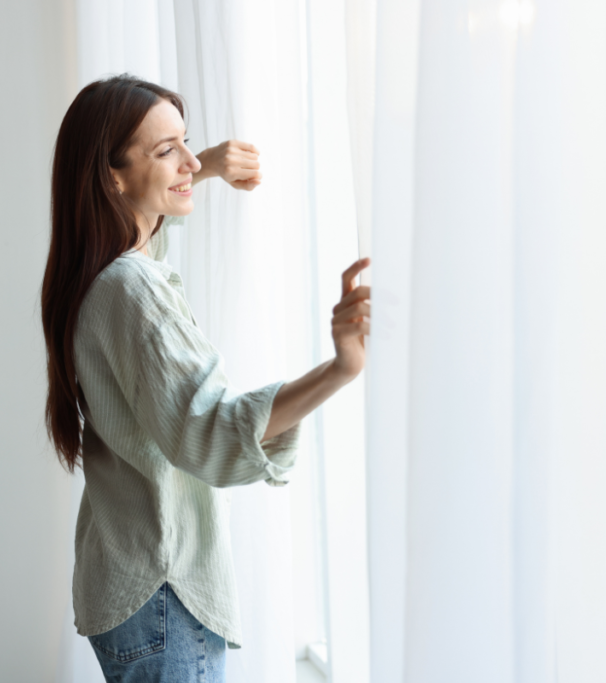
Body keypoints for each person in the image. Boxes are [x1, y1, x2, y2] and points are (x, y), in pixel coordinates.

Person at [41, 74, 370, 683]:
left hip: (125, 582)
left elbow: (148, 237)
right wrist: (340, 368)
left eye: (187, 142)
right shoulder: (133, 290)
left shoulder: (97, 273)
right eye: (167, 150)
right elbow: (212, 434)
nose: (191, 159)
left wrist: (198, 167)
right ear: (111, 176)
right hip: (163, 592)